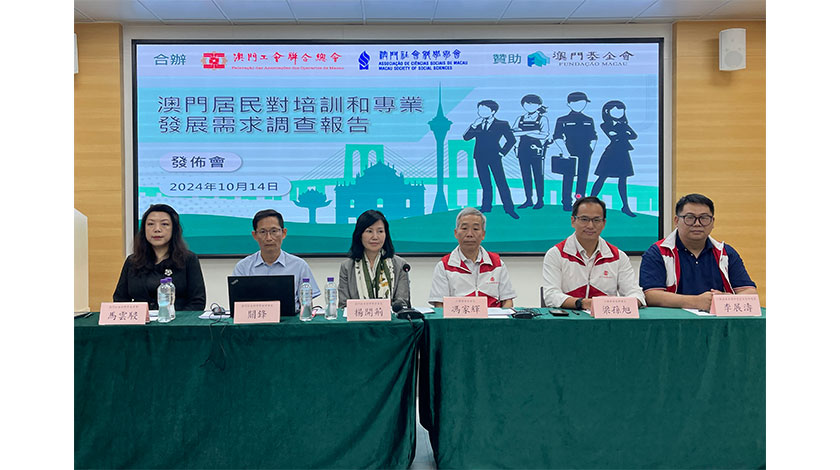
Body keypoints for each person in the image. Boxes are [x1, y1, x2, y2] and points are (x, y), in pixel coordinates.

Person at [639, 193, 758, 310]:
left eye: (704, 218)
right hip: (674, 320)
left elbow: (750, 291)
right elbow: (651, 295)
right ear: (676, 220)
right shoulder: (658, 252)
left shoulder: (725, 253)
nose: (697, 224)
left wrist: (726, 299)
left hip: (716, 319)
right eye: (690, 218)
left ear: (712, 222)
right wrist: (696, 302)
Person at [542, 196, 645, 310]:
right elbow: (551, 295)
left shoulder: (618, 256)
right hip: (569, 318)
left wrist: (630, 302)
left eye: (596, 220)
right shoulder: (556, 254)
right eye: (584, 219)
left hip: (606, 318)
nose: (590, 226)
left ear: (604, 223)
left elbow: (636, 293)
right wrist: (583, 303)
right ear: (573, 221)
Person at [113, 204, 206, 311]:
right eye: (150, 224)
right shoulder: (132, 261)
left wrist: (177, 319)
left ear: (174, 229)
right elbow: (120, 300)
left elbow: (197, 302)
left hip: (176, 320)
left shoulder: (188, 259)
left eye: (164, 224)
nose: (157, 229)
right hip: (141, 321)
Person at [428, 207, 516, 307]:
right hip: (458, 317)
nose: (469, 234)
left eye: (475, 229)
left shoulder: (497, 264)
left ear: (483, 234)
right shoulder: (444, 266)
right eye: (464, 228)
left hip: (492, 317)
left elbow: (507, 301)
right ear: (456, 233)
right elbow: (439, 304)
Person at [233, 209, 320, 309]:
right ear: (255, 235)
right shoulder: (243, 267)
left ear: (284, 233)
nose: (269, 238)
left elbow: (307, 306)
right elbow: (238, 306)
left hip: (290, 319)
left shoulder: (299, 266)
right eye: (263, 232)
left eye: (274, 231)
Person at [338, 210, 410, 308]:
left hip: (391, 318)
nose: (375, 237)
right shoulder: (347, 267)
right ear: (360, 234)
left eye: (380, 231)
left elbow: (402, 304)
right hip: (358, 318)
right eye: (369, 231)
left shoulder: (400, 265)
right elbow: (343, 306)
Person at [463, 99, 519, 219]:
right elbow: (466, 137)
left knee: (501, 182)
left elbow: (511, 140)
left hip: (495, 156)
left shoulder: (502, 124)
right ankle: (486, 207)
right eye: (479, 110)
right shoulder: (477, 124)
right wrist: (473, 125)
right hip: (479, 156)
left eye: (484, 109)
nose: (480, 112)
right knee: (485, 183)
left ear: (493, 111)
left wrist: (502, 153)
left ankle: (509, 208)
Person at [590, 100, 637, 217]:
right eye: (615, 110)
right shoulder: (605, 124)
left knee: (623, 180)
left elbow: (633, 135)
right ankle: (590, 202)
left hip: (623, 154)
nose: (619, 113)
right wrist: (624, 134)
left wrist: (622, 134)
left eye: (621, 111)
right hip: (611, 154)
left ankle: (625, 206)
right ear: (607, 112)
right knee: (602, 177)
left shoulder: (623, 124)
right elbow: (613, 136)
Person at [552, 91, 598, 204]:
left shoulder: (588, 119)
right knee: (568, 177)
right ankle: (566, 201)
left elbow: (593, 136)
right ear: (569, 104)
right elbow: (557, 136)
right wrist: (565, 151)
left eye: (583, 103)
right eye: (577, 103)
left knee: (583, 176)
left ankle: (579, 199)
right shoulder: (562, 119)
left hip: (585, 152)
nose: (580, 105)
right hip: (569, 151)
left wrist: (591, 150)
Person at [512, 94, 550, 209]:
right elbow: (513, 133)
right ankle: (528, 199)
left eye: (533, 104)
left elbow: (544, 135)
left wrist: (523, 132)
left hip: (536, 149)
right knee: (525, 175)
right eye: (527, 104)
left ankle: (540, 200)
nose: (529, 106)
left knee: (538, 175)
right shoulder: (520, 118)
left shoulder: (542, 119)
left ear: (539, 105)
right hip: (523, 149)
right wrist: (532, 132)